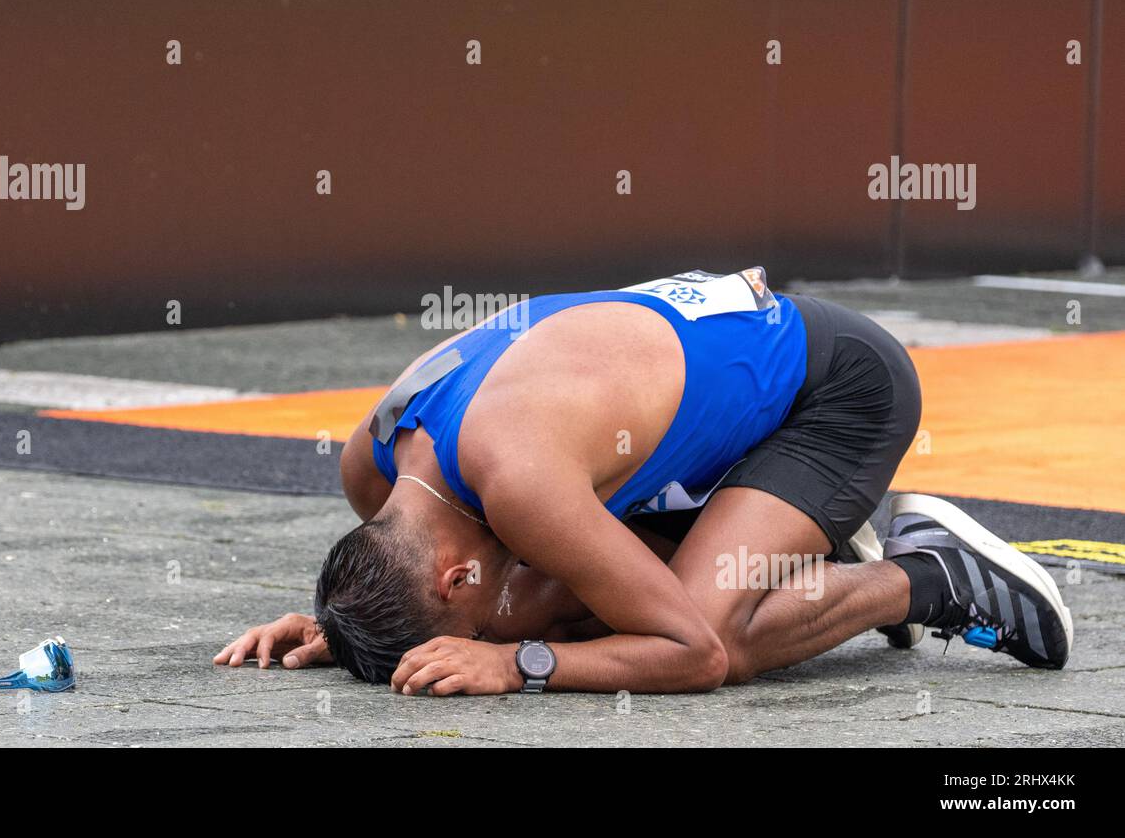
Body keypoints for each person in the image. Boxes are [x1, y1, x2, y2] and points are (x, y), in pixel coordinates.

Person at [214, 268, 1073, 694]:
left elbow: (690, 657)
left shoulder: (518, 480)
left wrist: (518, 662)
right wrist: (350, 626)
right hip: (710, 425)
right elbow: (412, 567)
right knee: (563, 587)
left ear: (453, 576)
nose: (487, 615)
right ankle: (799, 541)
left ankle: (930, 575)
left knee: (709, 634)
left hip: (840, 390)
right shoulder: (375, 468)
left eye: (471, 607)